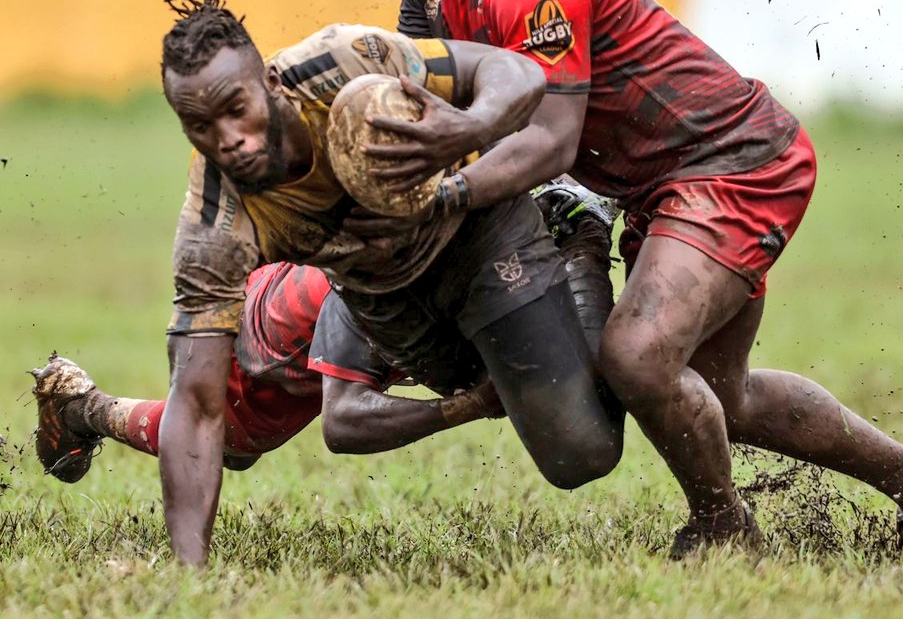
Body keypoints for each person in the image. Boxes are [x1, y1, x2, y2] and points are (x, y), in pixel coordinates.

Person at [368, 0, 903, 555]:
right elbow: (420, 107)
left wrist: (444, 195)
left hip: (732, 163)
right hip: (664, 184)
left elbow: (555, 144)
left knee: (637, 355)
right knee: (722, 394)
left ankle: (724, 529)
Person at [120, 0, 622, 566]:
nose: (226, 140)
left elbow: (514, 71)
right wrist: (190, 573)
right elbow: (198, 403)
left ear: (272, 85)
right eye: (199, 126)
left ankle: (577, 229)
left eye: (236, 109)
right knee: (501, 398)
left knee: (583, 454)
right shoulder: (215, 225)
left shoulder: (345, 64)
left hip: (479, 230)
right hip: (384, 301)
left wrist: (467, 130)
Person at [32, 185, 618, 480]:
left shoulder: (486, 245)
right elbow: (343, 423)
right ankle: (84, 408)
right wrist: (470, 405)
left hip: (312, 303)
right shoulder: (372, 280)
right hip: (257, 348)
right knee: (225, 448)